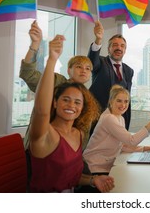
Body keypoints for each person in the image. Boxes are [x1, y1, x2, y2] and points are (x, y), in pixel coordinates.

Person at [28, 34, 114, 193]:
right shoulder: (48, 132)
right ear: (54, 101)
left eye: (77, 102)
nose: (71, 105)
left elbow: (71, 175)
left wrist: (93, 180)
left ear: (84, 107)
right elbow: (41, 111)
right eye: (65, 99)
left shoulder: (78, 133)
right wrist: (51, 59)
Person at [20, 20, 101, 150]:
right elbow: (28, 74)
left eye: (88, 68)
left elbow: (84, 134)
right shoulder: (57, 81)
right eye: (79, 66)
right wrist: (35, 44)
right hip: (43, 149)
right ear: (69, 70)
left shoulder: (88, 98)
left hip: (70, 154)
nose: (83, 70)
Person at [83, 85, 150, 177]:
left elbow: (123, 145)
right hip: (93, 168)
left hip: (105, 166)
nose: (123, 105)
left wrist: (148, 148)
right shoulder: (109, 118)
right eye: (119, 101)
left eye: (126, 101)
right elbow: (132, 141)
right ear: (111, 101)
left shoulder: (120, 118)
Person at [87, 21, 134, 132]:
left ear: (125, 50)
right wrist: (98, 40)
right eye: (115, 45)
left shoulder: (129, 71)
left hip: (119, 121)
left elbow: (127, 98)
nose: (119, 48)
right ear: (108, 49)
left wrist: (125, 125)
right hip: (97, 120)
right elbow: (92, 62)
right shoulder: (100, 62)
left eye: (122, 46)